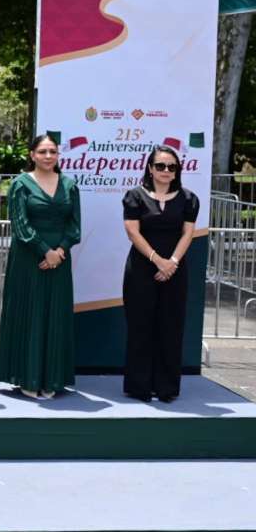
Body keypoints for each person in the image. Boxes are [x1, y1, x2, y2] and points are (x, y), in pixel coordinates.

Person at [0, 135, 81, 398]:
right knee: (30, 314)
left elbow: (74, 226)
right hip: (29, 259)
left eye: (53, 151)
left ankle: (52, 380)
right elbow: (20, 225)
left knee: (55, 316)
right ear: (32, 155)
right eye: (42, 151)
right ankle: (27, 378)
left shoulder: (69, 185)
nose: (48, 156)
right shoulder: (20, 184)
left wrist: (59, 251)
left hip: (60, 262)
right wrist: (45, 251)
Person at [122, 145, 199, 403]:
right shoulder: (134, 196)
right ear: (150, 168)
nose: (166, 171)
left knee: (171, 326)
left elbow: (188, 233)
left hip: (175, 271)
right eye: (160, 166)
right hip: (142, 269)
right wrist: (158, 261)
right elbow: (133, 232)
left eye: (171, 167)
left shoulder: (189, 198)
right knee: (140, 326)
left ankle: (167, 388)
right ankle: (139, 386)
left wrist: (172, 263)